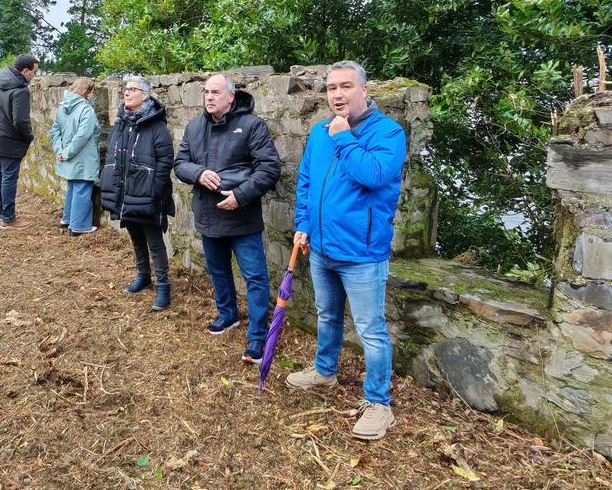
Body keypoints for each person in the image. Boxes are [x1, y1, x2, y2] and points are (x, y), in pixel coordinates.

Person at [286, 60, 406, 442]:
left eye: (346, 87)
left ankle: (378, 403)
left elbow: (372, 174)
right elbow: (306, 180)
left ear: (365, 90)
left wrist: (343, 137)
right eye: (331, 88)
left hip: (362, 252)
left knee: (371, 330)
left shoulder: (388, 132)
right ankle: (325, 371)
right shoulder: (320, 132)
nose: (337, 94)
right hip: (321, 246)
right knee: (327, 315)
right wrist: (303, 224)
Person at [174, 73, 281, 361]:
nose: (209, 97)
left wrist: (240, 196)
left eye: (216, 92)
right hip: (208, 216)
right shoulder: (195, 127)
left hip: (242, 219)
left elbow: (270, 168)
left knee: (255, 278)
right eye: (206, 92)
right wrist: (198, 173)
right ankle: (228, 314)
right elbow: (180, 163)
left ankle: (257, 336)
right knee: (218, 272)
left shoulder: (251, 125)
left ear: (231, 97)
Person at [101, 75, 175, 310]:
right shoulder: (122, 123)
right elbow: (112, 156)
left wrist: (153, 190)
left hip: (148, 194)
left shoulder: (156, 126)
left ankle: (163, 287)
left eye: (133, 89)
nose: (127, 92)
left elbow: (165, 161)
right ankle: (143, 276)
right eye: (126, 88)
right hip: (125, 193)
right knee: (135, 237)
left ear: (145, 95)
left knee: (154, 241)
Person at [0, 54, 37, 230]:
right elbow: (20, 121)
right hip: (9, 139)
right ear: (25, 71)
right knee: (9, 178)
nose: (34, 76)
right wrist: (29, 137)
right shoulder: (20, 90)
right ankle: (9, 218)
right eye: (34, 72)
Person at [50, 77, 101, 236]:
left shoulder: (63, 106)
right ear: (87, 91)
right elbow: (82, 136)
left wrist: (60, 151)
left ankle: (67, 219)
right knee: (82, 189)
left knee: (73, 187)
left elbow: (54, 131)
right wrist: (66, 153)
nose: (93, 95)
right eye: (92, 91)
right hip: (83, 157)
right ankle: (79, 226)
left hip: (67, 155)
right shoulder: (86, 110)